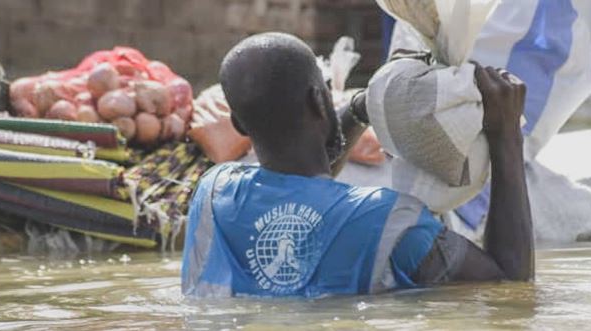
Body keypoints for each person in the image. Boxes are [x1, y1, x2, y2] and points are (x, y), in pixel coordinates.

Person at [181, 32, 532, 297]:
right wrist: (507, 138)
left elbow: (304, 184)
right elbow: (511, 283)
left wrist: (359, 109)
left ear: (239, 125)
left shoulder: (214, 194)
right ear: (320, 99)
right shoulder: (390, 223)